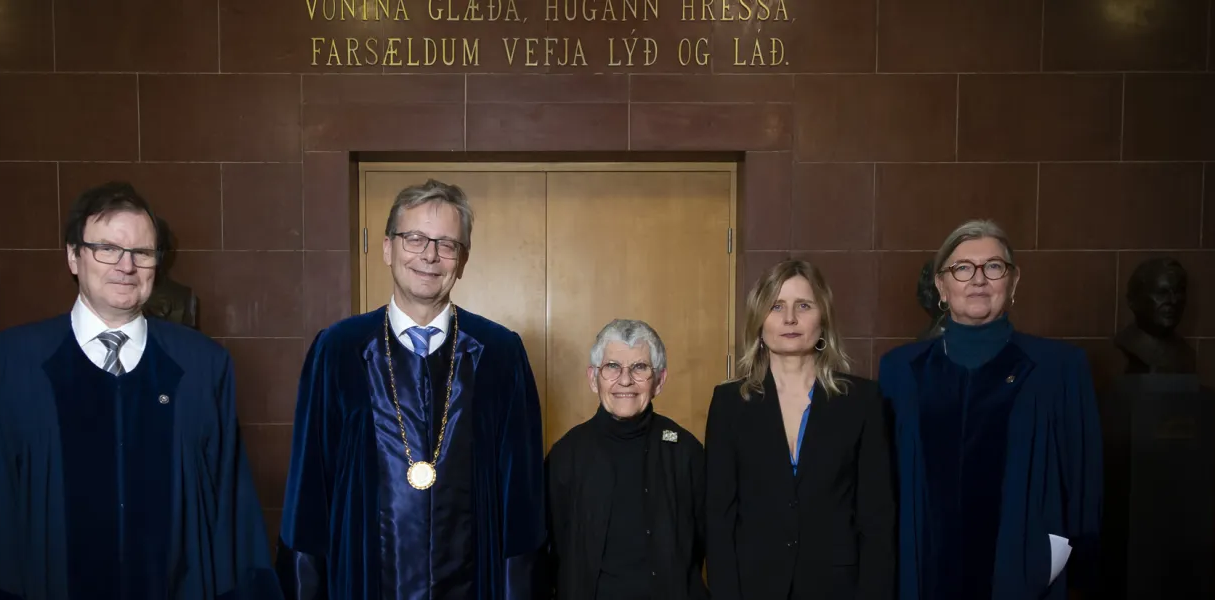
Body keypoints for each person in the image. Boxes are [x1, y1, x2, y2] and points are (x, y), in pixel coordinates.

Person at [0, 182, 279, 599]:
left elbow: (232, 510)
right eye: (107, 248)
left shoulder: (202, 366)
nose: (126, 266)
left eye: (142, 253)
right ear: (74, 256)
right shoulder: (16, 364)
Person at [277, 179, 545, 599]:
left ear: (463, 260)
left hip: (475, 583)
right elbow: (309, 489)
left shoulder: (499, 353)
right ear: (387, 248)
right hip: (363, 577)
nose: (429, 256)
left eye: (446, 244)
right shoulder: (339, 349)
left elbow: (522, 500)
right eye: (414, 238)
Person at [878, 219, 1102, 600]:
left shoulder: (1059, 368)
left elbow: (1083, 483)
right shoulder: (900, 370)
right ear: (941, 287)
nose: (978, 280)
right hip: (923, 568)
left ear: (1013, 282)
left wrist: (1077, 569)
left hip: (1025, 570)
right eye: (963, 268)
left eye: (993, 267)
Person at [705, 259, 895, 600]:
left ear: (823, 318)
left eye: (803, 306)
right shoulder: (729, 403)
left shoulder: (862, 401)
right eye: (776, 306)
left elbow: (876, 517)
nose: (789, 318)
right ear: (759, 320)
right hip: (753, 586)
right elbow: (719, 519)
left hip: (839, 587)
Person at [544, 319, 707, 600]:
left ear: (660, 380)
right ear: (593, 378)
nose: (625, 380)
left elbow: (706, 543)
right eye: (612, 366)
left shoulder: (685, 450)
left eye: (640, 367)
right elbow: (549, 550)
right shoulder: (566, 455)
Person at [1114, 256, 1195, 373]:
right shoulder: (1129, 343)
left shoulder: (1185, 353)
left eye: (1178, 292)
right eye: (1162, 293)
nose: (1173, 301)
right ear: (1133, 301)